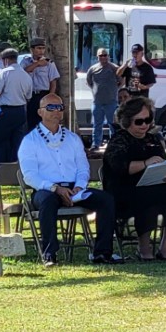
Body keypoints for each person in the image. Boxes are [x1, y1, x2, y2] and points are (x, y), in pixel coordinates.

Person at [17, 94, 124, 266]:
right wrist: (55, 188)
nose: (56, 111)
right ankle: (49, 254)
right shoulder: (30, 141)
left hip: (75, 190)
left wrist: (79, 187)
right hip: (46, 190)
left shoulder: (73, 138)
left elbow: (83, 168)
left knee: (105, 199)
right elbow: (30, 175)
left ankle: (102, 252)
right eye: (51, 107)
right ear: (40, 112)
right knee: (47, 201)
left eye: (60, 107)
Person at [102, 96, 166, 261]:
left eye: (147, 120)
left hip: (153, 185)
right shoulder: (119, 140)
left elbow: (162, 162)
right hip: (124, 190)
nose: (144, 125)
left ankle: (165, 246)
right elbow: (119, 167)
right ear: (127, 121)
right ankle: (144, 248)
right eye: (139, 121)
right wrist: (146, 163)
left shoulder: (153, 139)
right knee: (147, 200)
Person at [0, 47, 34, 164]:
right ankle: (14, 168)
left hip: (5, 111)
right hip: (20, 111)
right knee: (17, 142)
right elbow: (28, 96)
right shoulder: (26, 75)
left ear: (5, 60)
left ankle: (1, 168)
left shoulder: (4, 72)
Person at [85, 47, 120, 151]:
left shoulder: (114, 68)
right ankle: (96, 145)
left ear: (108, 56)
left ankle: (114, 145)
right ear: (97, 57)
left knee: (113, 125)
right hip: (97, 102)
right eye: (101, 55)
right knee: (97, 125)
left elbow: (121, 80)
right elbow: (89, 82)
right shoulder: (92, 69)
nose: (103, 57)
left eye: (105, 55)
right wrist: (95, 90)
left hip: (111, 102)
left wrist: (115, 89)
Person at [21, 37, 60, 130]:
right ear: (32, 49)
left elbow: (53, 82)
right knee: (31, 123)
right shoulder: (26, 61)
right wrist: (37, 64)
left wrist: (50, 97)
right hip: (30, 96)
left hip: (43, 95)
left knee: (45, 122)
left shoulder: (49, 63)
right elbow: (22, 72)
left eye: (43, 48)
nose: (41, 51)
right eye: (38, 48)